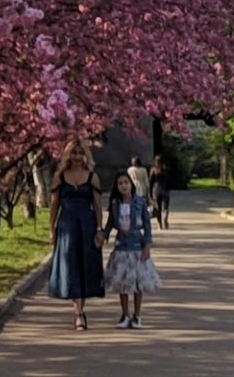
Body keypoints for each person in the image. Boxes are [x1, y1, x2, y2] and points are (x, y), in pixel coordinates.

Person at [48, 138, 105, 330]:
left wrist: (99, 229)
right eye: (74, 153)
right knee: (70, 267)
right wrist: (51, 229)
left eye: (81, 153)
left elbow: (97, 206)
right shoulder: (60, 176)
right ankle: (78, 313)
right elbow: (54, 205)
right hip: (67, 226)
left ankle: (81, 310)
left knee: (84, 266)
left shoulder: (92, 177)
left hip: (87, 225)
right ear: (68, 154)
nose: (78, 157)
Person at [103, 170, 161, 327]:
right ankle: (124, 315)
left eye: (126, 183)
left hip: (137, 245)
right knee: (122, 283)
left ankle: (137, 315)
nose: (123, 186)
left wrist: (147, 245)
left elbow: (147, 225)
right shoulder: (115, 203)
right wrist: (104, 235)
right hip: (121, 245)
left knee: (137, 283)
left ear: (131, 184)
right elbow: (110, 222)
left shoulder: (140, 202)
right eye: (120, 183)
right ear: (117, 186)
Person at [149, 154, 171, 230]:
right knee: (166, 207)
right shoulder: (166, 169)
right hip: (165, 190)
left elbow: (151, 182)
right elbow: (169, 180)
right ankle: (165, 218)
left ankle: (160, 224)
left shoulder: (153, 170)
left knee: (158, 208)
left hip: (156, 190)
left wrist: (150, 194)